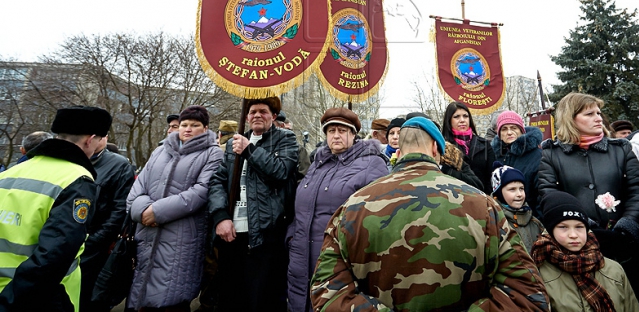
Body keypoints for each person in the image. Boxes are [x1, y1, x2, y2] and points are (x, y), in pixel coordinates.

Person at [310, 116, 549, 312]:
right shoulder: (484, 206)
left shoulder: (353, 206)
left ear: (399, 151)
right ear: (436, 148)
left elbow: (325, 291)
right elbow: (527, 294)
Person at [537, 92, 639, 303]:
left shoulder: (621, 149)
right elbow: (549, 195)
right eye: (589, 114)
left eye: (599, 112)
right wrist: (582, 226)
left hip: (624, 242)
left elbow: (637, 190)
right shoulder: (551, 154)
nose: (599, 118)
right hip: (576, 243)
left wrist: (626, 226)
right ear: (570, 118)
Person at [0, 106, 110, 311]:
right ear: (90, 139)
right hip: (36, 298)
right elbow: (54, 255)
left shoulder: (12, 172)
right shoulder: (77, 180)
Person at [286, 107, 388, 312]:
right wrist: (291, 237)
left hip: (338, 259)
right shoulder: (319, 162)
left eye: (342, 130)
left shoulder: (371, 163)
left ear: (353, 134)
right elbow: (302, 206)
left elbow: (379, 216)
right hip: (300, 254)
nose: (336, 135)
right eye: (331, 131)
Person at [126, 105, 223, 311]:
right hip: (146, 232)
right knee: (139, 290)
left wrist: (157, 212)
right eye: (184, 124)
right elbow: (138, 188)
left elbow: (200, 192)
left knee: (171, 294)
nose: (187, 129)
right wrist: (142, 212)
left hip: (181, 236)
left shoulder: (212, 154)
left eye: (194, 125)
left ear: (205, 128)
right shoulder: (160, 150)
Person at [208, 96, 298, 312]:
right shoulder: (233, 143)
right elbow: (218, 181)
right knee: (231, 295)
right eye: (253, 112)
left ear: (273, 116)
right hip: (232, 232)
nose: (257, 115)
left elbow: (281, 172)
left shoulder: (285, 139)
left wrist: (249, 150)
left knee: (262, 297)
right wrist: (221, 217)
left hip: (266, 234)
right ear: (246, 117)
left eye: (263, 111)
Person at [532, 191, 639, 312]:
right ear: (551, 231)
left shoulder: (614, 270)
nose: (573, 235)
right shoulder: (538, 274)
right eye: (563, 227)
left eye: (579, 227)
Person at [80, 141, 135, 312]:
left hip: (97, 249)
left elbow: (120, 209)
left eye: (99, 135)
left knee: (91, 297)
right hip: (65, 244)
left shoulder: (118, 165)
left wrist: (94, 241)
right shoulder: (68, 162)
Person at [491, 110, 543, 211]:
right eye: (504, 129)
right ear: (499, 134)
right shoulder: (494, 155)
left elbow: (541, 193)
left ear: (521, 130)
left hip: (529, 216)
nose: (509, 132)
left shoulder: (537, 155)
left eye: (513, 128)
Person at [442, 101, 496, 192]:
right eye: (456, 117)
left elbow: (492, 175)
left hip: (482, 198)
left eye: (465, 116)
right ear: (449, 120)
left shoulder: (485, 144)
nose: (462, 120)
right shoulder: (443, 146)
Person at [491, 164, 544, 253]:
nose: (519, 194)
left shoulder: (534, 223)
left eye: (521, 189)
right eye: (512, 189)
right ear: (499, 193)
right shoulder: (494, 223)